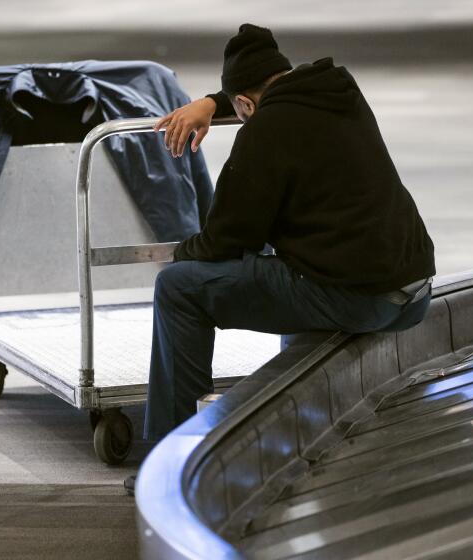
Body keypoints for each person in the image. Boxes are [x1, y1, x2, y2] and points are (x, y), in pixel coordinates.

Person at [125, 23, 435, 495]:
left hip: (362, 298)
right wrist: (213, 102)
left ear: (246, 106)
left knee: (179, 288)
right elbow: (266, 95)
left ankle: (172, 460)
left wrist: (182, 254)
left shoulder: (264, 132)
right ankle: (297, 428)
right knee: (284, 258)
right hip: (412, 288)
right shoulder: (338, 89)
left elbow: (224, 240)